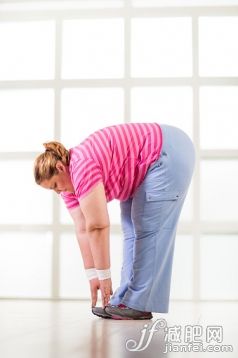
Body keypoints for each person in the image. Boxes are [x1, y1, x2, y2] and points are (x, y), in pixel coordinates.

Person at [34, 122, 195, 320]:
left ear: (60, 167)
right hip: (143, 167)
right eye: (53, 190)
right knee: (131, 230)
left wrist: (104, 277)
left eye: (55, 186)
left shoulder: (81, 166)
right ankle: (125, 300)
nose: (58, 192)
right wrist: (92, 276)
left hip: (166, 152)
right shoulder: (68, 186)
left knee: (147, 228)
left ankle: (140, 303)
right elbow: (83, 227)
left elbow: (98, 225)